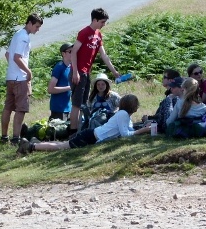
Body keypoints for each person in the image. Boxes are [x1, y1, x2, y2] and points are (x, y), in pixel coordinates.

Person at [18, 94, 140, 155]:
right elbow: (125, 134)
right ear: (132, 106)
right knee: (61, 147)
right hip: (90, 137)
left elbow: (128, 129)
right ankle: (31, 146)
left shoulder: (123, 115)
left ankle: (36, 143)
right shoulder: (123, 114)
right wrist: (144, 130)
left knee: (62, 144)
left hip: (92, 134)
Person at [69, 8, 120, 136]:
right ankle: (73, 131)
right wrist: (75, 72)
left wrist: (114, 71)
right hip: (78, 71)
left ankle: (82, 128)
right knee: (76, 103)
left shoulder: (98, 35)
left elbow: (103, 55)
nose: (104, 25)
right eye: (102, 22)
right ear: (95, 20)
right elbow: (74, 52)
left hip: (86, 72)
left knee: (84, 104)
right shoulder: (84, 32)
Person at [1, 13, 43, 145]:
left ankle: (4, 137)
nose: (37, 29)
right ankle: (15, 138)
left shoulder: (17, 34)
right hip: (20, 79)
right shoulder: (24, 37)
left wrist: (13, 69)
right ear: (29, 23)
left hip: (11, 77)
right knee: (21, 109)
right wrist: (28, 72)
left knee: (8, 107)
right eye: (36, 26)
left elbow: (7, 54)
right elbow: (17, 57)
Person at [47, 43, 73, 120]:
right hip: (59, 108)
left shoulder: (71, 66)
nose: (73, 53)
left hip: (68, 107)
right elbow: (50, 89)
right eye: (70, 52)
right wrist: (70, 88)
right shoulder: (59, 68)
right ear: (63, 54)